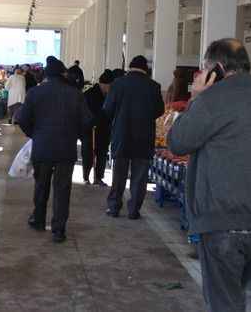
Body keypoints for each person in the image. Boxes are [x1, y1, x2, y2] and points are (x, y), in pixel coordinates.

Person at [167, 38, 251, 312]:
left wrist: (197, 97)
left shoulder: (211, 101)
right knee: (233, 293)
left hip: (223, 221)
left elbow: (178, 142)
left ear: (216, 68)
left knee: (224, 302)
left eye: (205, 69)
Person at [18, 56, 92, 243]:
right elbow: (87, 121)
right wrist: (75, 135)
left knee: (41, 185)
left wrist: (34, 134)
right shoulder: (75, 94)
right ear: (62, 74)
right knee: (62, 189)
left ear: (46, 75)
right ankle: (59, 230)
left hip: (42, 146)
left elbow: (22, 119)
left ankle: (38, 220)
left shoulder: (35, 93)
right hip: (66, 148)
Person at [103, 55, 165, 219]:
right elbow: (160, 110)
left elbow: (108, 109)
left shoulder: (118, 84)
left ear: (130, 67)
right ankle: (134, 210)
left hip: (121, 135)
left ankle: (114, 207)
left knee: (119, 174)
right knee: (139, 176)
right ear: (146, 69)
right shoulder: (153, 86)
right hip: (144, 137)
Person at [81, 70, 114, 186]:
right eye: (110, 86)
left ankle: (99, 177)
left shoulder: (109, 95)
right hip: (90, 129)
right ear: (103, 84)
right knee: (88, 154)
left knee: (102, 154)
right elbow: (86, 112)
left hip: (104, 129)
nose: (111, 88)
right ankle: (86, 177)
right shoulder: (90, 94)